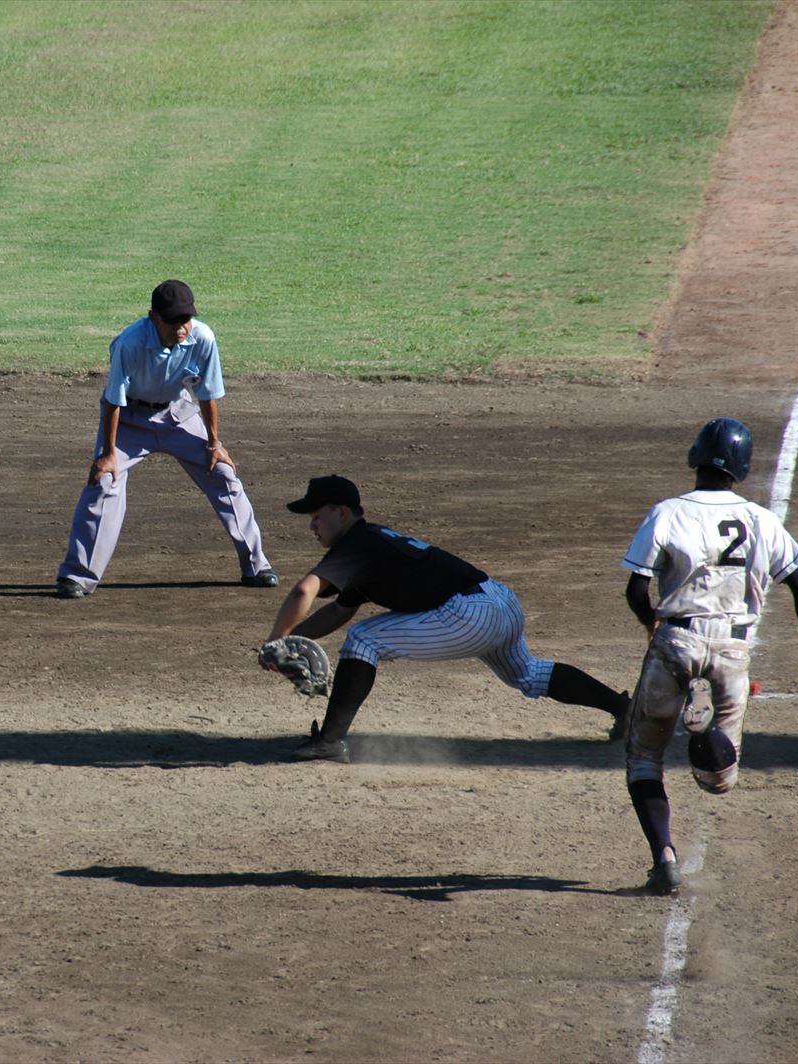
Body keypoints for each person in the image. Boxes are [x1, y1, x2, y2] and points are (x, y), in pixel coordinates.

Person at [262, 475, 630, 762]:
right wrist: (294, 641)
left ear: (341, 512)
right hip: (499, 601)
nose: (312, 526)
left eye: (316, 517)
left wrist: (275, 641)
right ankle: (623, 709)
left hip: (469, 615)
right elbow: (339, 610)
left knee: (364, 639)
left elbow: (303, 591)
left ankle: (329, 741)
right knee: (527, 673)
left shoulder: (355, 546)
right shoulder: (372, 541)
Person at [620, 418, 798, 896]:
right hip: (733, 650)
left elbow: (635, 590)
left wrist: (650, 620)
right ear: (742, 467)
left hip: (676, 641)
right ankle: (706, 727)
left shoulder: (667, 512)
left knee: (644, 759)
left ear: (695, 457)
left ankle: (663, 857)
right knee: (718, 781)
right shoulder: (762, 520)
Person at [55, 279, 275, 597]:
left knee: (223, 472)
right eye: (173, 321)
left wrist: (215, 444)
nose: (181, 327)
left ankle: (256, 566)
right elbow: (113, 399)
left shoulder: (203, 337)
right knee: (104, 482)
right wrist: (108, 454)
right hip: (129, 418)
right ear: (153, 317)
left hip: (177, 413)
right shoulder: (130, 343)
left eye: (186, 319)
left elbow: (207, 393)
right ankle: (78, 576)